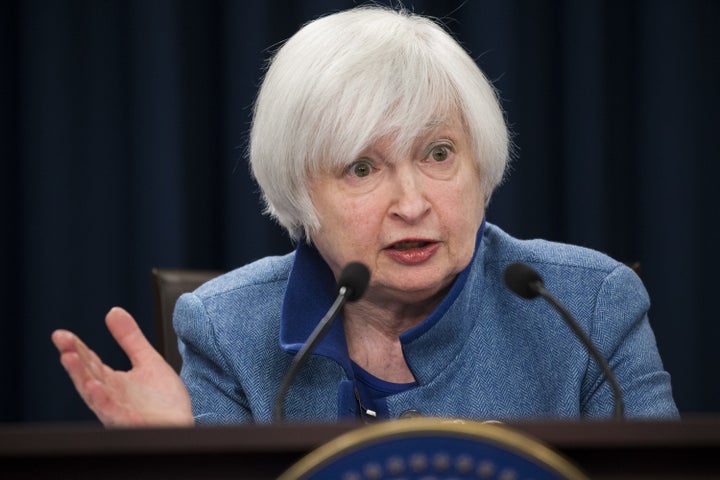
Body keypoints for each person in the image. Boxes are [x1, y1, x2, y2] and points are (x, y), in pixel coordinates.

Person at [51, 6, 678, 426]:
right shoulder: (226, 329)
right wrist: (177, 462)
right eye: (362, 168)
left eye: (438, 154)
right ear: (300, 192)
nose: (411, 204)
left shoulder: (589, 309)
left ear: (480, 165)